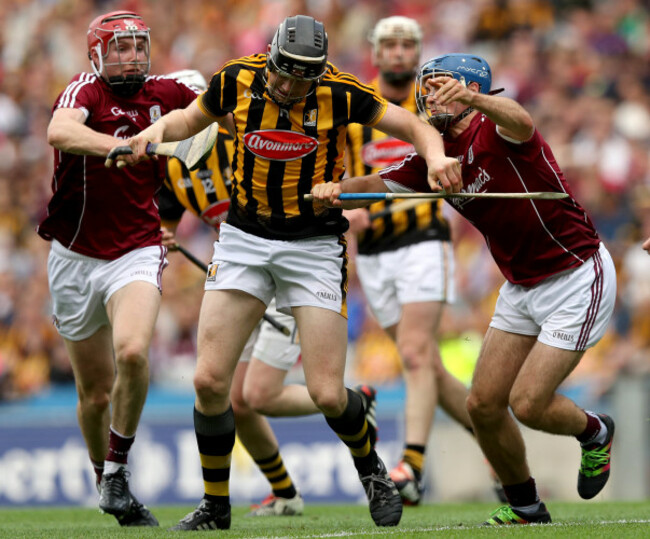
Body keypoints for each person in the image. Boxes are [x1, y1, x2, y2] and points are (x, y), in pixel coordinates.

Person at [110, 15, 461, 530]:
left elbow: (413, 125)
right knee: (209, 381)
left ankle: (373, 472)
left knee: (324, 391)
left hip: (314, 244)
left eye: (303, 78)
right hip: (245, 238)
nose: (290, 86)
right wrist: (152, 133)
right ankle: (216, 505)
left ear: (319, 74)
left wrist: (434, 157)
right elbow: (189, 121)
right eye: (283, 74)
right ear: (270, 59)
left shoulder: (341, 93)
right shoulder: (236, 77)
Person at [311, 53, 617, 526]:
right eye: (426, 86)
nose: (429, 95)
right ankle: (526, 507)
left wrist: (477, 100)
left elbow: (522, 119)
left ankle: (595, 432)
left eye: (440, 86)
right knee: (482, 405)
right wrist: (337, 188)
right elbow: (379, 183)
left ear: (470, 89)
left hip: (576, 274)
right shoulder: (434, 155)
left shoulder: (497, 128)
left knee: (529, 404)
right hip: (521, 287)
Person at [37, 10, 199, 527]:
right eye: (120, 48)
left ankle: (117, 472)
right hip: (73, 257)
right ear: (97, 55)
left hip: (136, 248)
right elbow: (59, 132)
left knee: (132, 350)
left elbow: (220, 111)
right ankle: (101, 476)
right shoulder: (84, 91)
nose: (131, 56)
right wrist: (121, 146)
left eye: (137, 46)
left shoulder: (166, 92)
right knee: (94, 394)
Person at [160, 69, 334, 517]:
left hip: (286, 266)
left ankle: (358, 403)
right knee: (234, 398)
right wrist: (163, 237)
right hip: (240, 277)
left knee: (260, 396)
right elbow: (164, 221)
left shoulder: (244, 136)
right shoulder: (174, 165)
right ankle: (286, 493)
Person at [346, 16, 502, 505]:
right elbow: (336, 166)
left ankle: (410, 467)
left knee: (414, 353)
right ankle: (499, 449)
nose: (397, 53)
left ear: (418, 54)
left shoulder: (433, 104)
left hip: (422, 239)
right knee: (426, 367)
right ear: (374, 52)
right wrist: (349, 210)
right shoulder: (356, 102)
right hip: (374, 254)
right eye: (388, 44)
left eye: (407, 44)